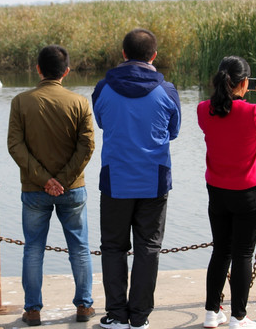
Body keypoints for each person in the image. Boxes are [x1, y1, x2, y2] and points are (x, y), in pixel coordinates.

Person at [92, 28, 181, 329]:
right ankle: (139, 318)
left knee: (113, 247)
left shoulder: (103, 89)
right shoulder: (167, 91)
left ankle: (116, 315)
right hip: (153, 179)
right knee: (148, 247)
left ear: (123, 53)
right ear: (153, 56)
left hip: (116, 179)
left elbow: (103, 122)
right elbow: (174, 132)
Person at [7, 45, 96, 326]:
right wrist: (63, 181)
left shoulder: (21, 102)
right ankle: (84, 306)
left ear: (38, 69)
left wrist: (45, 180)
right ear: (66, 72)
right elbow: (88, 145)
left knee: (33, 249)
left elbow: (15, 146)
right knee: (79, 248)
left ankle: (32, 310)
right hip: (72, 190)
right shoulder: (80, 102)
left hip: (34, 190)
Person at [197, 56, 256, 329]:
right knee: (243, 253)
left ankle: (212, 313)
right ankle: (238, 317)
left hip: (217, 191)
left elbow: (218, 120)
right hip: (248, 192)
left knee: (221, 251)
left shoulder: (203, 109)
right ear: (246, 83)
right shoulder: (253, 113)